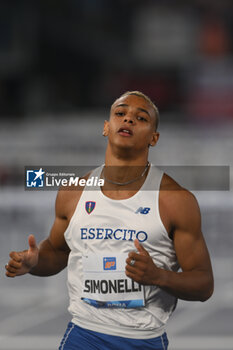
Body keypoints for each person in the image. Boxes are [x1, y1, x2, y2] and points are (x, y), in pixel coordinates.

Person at [5, 91, 214, 350]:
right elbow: (57, 252)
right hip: (84, 334)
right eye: (120, 113)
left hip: (143, 341)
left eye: (140, 117)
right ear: (106, 127)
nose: (128, 120)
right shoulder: (73, 192)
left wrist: (159, 276)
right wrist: (34, 262)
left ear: (154, 137)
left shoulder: (175, 200)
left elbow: (204, 284)